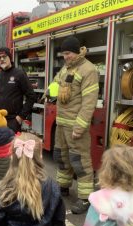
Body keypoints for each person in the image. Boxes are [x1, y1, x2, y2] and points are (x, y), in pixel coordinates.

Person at [49, 36, 99, 214]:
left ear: (77, 52)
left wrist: (80, 126)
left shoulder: (88, 70)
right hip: (62, 124)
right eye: (63, 54)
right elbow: (56, 83)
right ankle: (63, 186)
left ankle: (86, 198)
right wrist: (51, 90)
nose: (65, 57)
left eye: (68, 53)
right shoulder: (66, 68)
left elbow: (89, 102)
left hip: (75, 126)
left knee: (80, 161)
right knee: (61, 157)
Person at [0, 47, 37, 133]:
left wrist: (21, 117)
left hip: (13, 121)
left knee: (11, 146)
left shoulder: (19, 74)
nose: (2, 59)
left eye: (4, 56)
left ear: (10, 58)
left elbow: (31, 97)